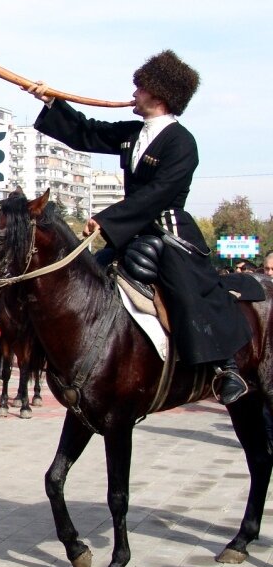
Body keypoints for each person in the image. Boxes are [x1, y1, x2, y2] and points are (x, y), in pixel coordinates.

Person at [28, 49, 250, 405]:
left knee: (186, 289)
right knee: (85, 278)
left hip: (169, 231)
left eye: (140, 88)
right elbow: (88, 132)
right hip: (130, 232)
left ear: (158, 95)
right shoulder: (134, 133)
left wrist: (107, 218)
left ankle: (224, 367)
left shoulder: (182, 143)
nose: (133, 94)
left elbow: (160, 193)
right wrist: (53, 102)